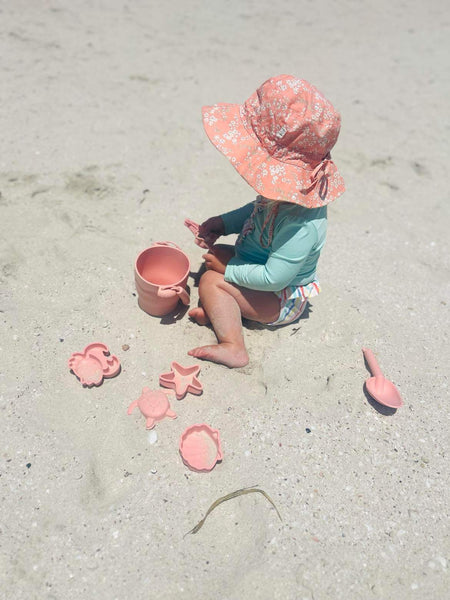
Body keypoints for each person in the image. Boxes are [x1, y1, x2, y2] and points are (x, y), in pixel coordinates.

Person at [187, 74, 345, 368]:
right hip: (263, 270)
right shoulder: (282, 194)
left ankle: (233, 346)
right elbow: (254, 210)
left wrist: (230, 269)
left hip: (280, 297)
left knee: (212, 278)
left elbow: (276, 277)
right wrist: (222, 223)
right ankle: (222, 312)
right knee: (215, 256)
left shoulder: (302, 225)